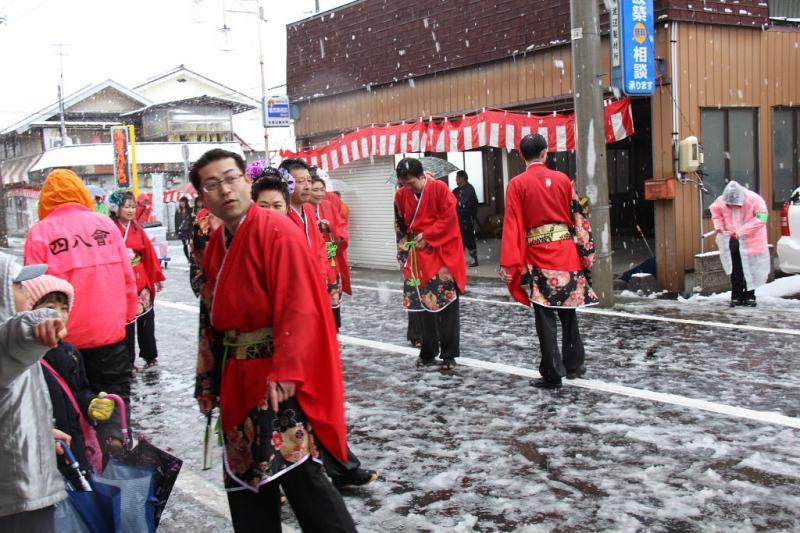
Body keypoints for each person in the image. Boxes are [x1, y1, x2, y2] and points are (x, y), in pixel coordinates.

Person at [190, 148, 356, 532]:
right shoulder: (218, 244)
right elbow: (210, 316)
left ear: (246, 181)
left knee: (303, 480)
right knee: (246, 485)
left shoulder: (277, 231)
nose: (226, 190)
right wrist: (207, 380)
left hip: (276, 381)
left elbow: (299, 305)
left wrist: (287, 370)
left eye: (231, 178)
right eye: (213, 185)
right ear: (203, 196)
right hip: (237, 379)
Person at [24, 169, 137, 446]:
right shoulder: (106, 226)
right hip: (109, 339)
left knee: (70, 410)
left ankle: (84, 473)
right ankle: (118, 466)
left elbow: (30, 293)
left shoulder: (40, 233)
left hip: (62, 343)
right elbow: (127, 279)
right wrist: (125, 319)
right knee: (113, 407)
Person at [499, 134, 598, 389]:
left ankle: (553, 372)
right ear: (545, 153)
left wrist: (511, 263)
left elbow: (513, 225)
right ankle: (575, 363)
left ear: (522, 155)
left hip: (537, 252)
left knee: (544, 315)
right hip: (565, 250)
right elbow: (578, 217)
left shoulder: (517, 184)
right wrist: (586, 252)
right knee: (568, 311)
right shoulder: (563, 180)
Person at [0, 252, 71, 533]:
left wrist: (40, 430)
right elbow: (20, 331)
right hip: (20, 494)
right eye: (17, 286)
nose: (27, 293)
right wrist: (42, 321)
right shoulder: (9, 341)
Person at [23, 274, 116, 475]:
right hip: (43, 458)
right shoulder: (22, 358)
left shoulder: (70, 352)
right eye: (49, 308)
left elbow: (79, 391)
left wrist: (91, 403)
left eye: (64, 308)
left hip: (75, 449)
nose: (59, 315)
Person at [394, 157, 466, 370]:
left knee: (446, 304)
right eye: (403, 184)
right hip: (416, 255)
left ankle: (449, 354)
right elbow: (400, 225)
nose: (407, 187)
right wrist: (403, 251)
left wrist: (429, 235)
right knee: (422, 305)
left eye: (411, 183)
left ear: (421, 175)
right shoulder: (400, 196)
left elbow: (449, 220)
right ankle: (428, 351)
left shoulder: (439, 189)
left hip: (439, 252)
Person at [109, 191, 166, 371]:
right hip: (121, 279)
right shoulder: (110, 229)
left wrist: (156, 277)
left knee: (146, 319)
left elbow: (148, 254)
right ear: (115, 209)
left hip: (140, 278)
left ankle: (150, 355)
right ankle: (128, 361)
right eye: (126, 206)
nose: (131, 210)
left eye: (133, 206)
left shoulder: (137, 229)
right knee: (127, 323)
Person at [709, 180, 770, 307]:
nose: (733, 207)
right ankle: (736, 295)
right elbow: (716, 214)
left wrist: (742, 231)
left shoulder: (754, 199)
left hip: (751, 240)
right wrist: (719, 226)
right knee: (736, 268)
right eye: (730, 205)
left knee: (750, 268)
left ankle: (750, 295)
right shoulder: (721, 201)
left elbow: (762, 218)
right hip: (732, 239)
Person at [310, 176, 352, 330]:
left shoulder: (329, 205)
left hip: (331, 251)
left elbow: (341, 224)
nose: (320, 193)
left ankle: (334, 326)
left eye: (322, 189)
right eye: (315, 190)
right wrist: (315, 227)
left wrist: (332, 229)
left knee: (333, 288)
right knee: (319, 291)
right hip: (314, 254)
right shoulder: (303, 209)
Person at [453, 170, 480, 267]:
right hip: (457, 219)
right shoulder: (456, 190)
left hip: (466, 218)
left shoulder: (469, 189)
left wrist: (459, 203)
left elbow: (466, 203)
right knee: (459, 239)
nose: (455, 180)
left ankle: (474, 258)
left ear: (462, 178)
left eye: (457, 177)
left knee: (468, 238)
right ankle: (459, 259)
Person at [175, 196, 194, 261]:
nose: (182, 203)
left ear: (186, 202)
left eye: (183, 202)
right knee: (185, 245)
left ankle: (192, 257)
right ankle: (188, 258)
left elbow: (192, 220)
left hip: (189, 229)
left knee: (191, 244)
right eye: (181, 202)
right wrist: (176, 231)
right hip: (182, 230)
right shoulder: (178, 210)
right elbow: (176, 221)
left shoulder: (190, 210)